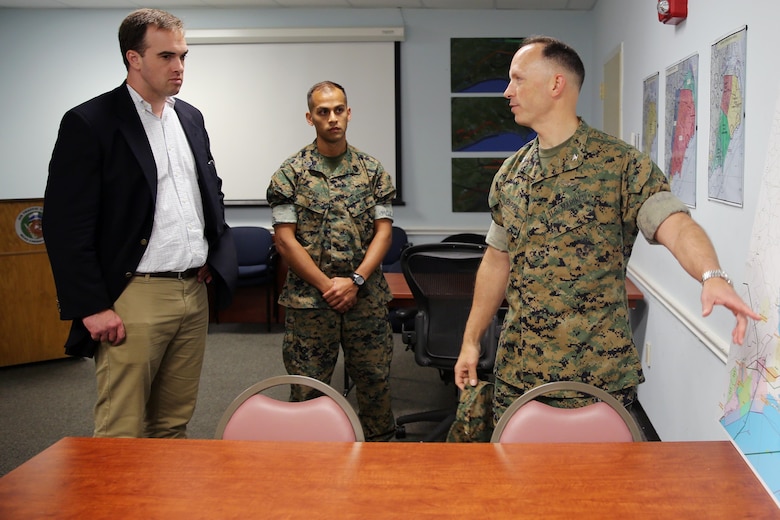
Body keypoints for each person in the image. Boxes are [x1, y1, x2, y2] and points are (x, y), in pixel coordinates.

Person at [453, 36, 761, 424]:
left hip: (597, 376)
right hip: (520, 373)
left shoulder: (620, 165)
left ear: (555, 84)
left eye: (517, 79)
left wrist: (711, 275)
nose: (507, 91)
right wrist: (470, 341)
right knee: (519, 483)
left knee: (602, 484)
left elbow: (675, 224)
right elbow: (496, 262)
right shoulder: (511, 175)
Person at [43, 8, 237, 438]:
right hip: (134, 296)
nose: (180, 67)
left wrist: (211, 255)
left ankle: (164, 507)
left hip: (192, 291)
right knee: (121, 431)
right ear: (133, 58)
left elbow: (208, 192)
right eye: (167, 56)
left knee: (172, 424)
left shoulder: (189, 117)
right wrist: (92, 306)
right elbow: (65, 224)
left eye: (184, 56)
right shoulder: (90, 122)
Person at [267, 81, 396, 441]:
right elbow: (285, 240)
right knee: (308, 390)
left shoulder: (373, 171)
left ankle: (383, 464)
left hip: (365, 299)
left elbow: (383, 233)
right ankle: (309, 469)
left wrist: (354, 281)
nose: (332, 118)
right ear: (310, 118)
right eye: (323, 112)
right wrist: (328, 286)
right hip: (311, 302)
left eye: (339, 109)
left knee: (375, 384)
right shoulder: (290, 173)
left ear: (349, 113)